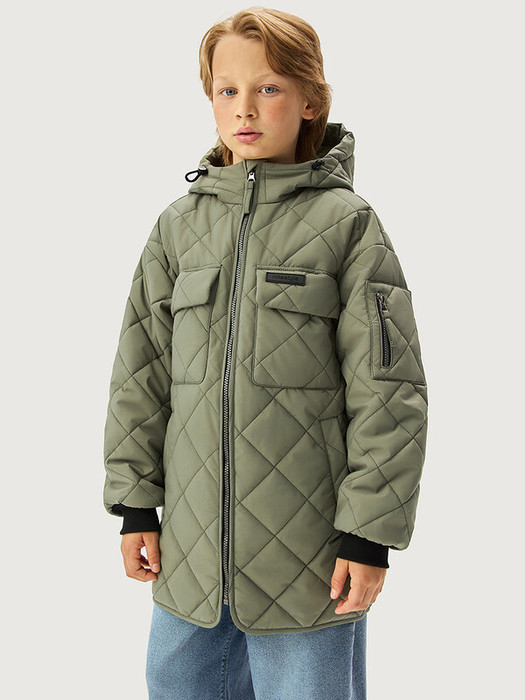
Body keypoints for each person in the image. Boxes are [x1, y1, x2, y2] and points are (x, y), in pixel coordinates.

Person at [102, 7, 428, 699]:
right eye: (227, 90)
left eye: (269, 88)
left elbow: (389, 390)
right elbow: (139, 374)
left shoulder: (348, 225)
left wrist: (368, 534)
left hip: (308, 562)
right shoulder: (178, 227)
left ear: (311, 100)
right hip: (189, 559)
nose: (244, 108)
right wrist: (135, 505)